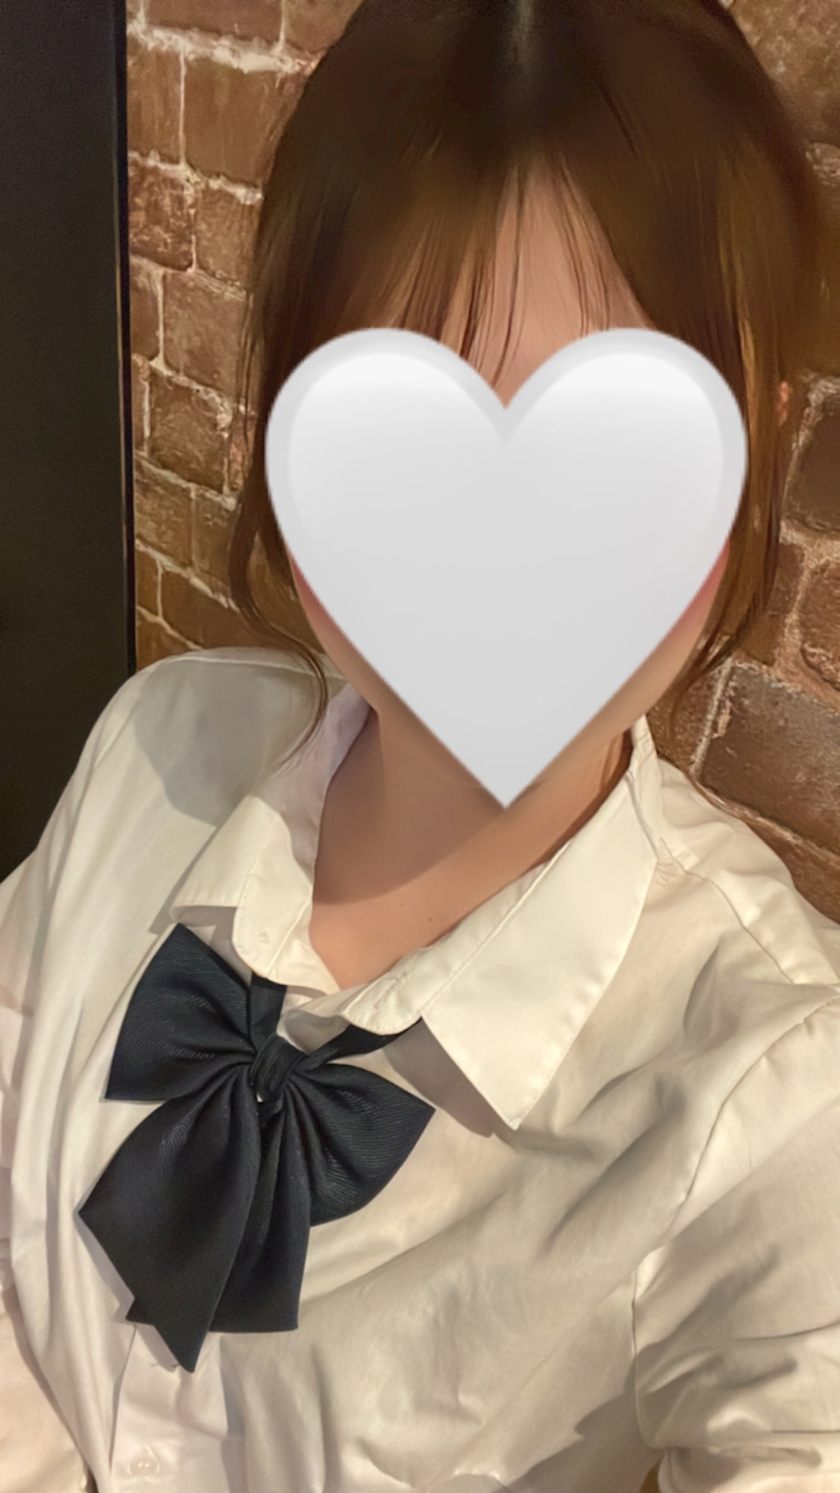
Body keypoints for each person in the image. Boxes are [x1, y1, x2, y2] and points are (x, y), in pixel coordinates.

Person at [1, 1, 838, 1490]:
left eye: (617, 462)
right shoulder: (154, 741)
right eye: (400, 440)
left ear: (756, 451)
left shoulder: (770, 1086)